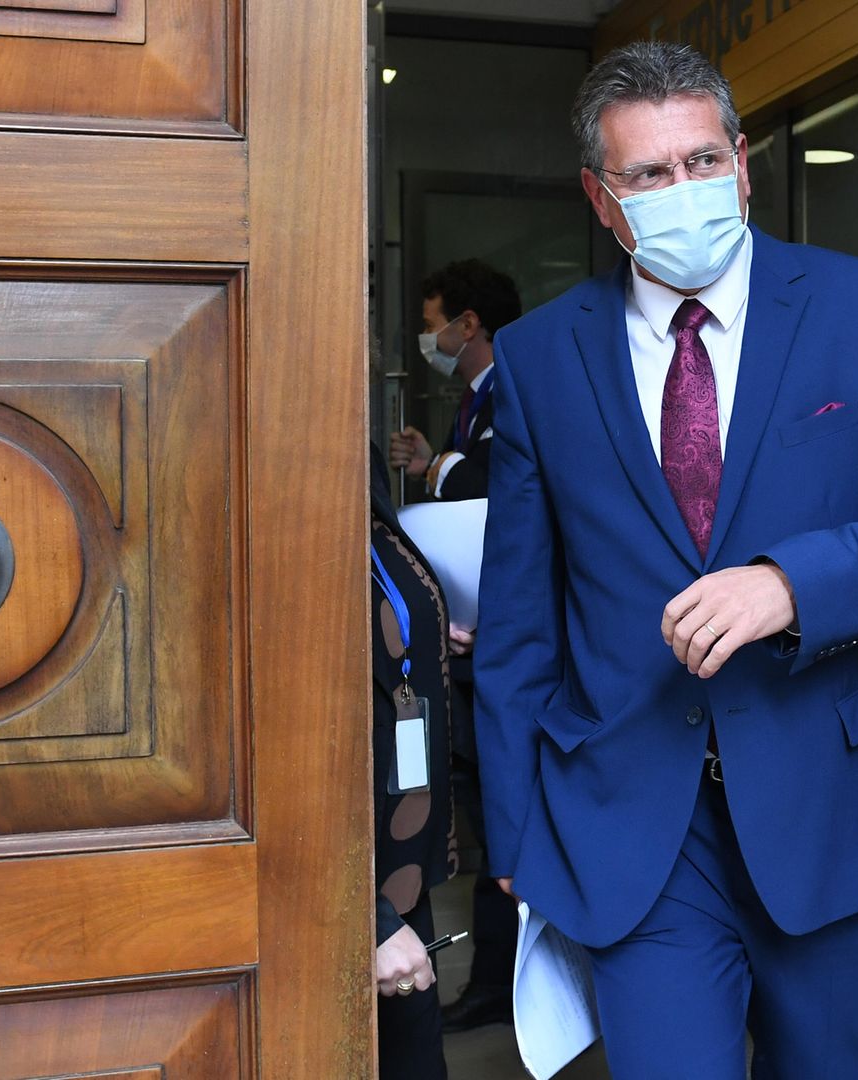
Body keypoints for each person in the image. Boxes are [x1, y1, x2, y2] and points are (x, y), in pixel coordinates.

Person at [473, 41, 858, 1078]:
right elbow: (520, 623)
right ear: (600, 198)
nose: (685, 190)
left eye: (703, 161)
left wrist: (792, 583)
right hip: (627, 818)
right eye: (650, 175)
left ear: (744, 164)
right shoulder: (539, 358)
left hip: (824, 798)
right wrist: (515, 836)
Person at [390, 259, 525, 1031]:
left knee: (499, 816)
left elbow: (496, 486)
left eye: (436, 318)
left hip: (500, 644)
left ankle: (500, 987)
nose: (430, 336)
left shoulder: (516, 388)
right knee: (479, 809)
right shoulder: (470, 398)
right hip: (468, 642)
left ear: (467, 324)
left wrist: (438, 465)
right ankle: (496, 983)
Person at [369, 446, 461, 1080]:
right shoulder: (272, 482)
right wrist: (368, 922)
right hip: (347, 885)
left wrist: (437, 628)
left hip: (397, 869)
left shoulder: (352, 446)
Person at [389, 259, 521, 501]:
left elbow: (495, 491)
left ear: (467, 325)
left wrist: (442, 464)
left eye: (430, 326)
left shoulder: (515, 395)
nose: (425, 338)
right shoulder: (475, 394)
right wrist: (430, 463)